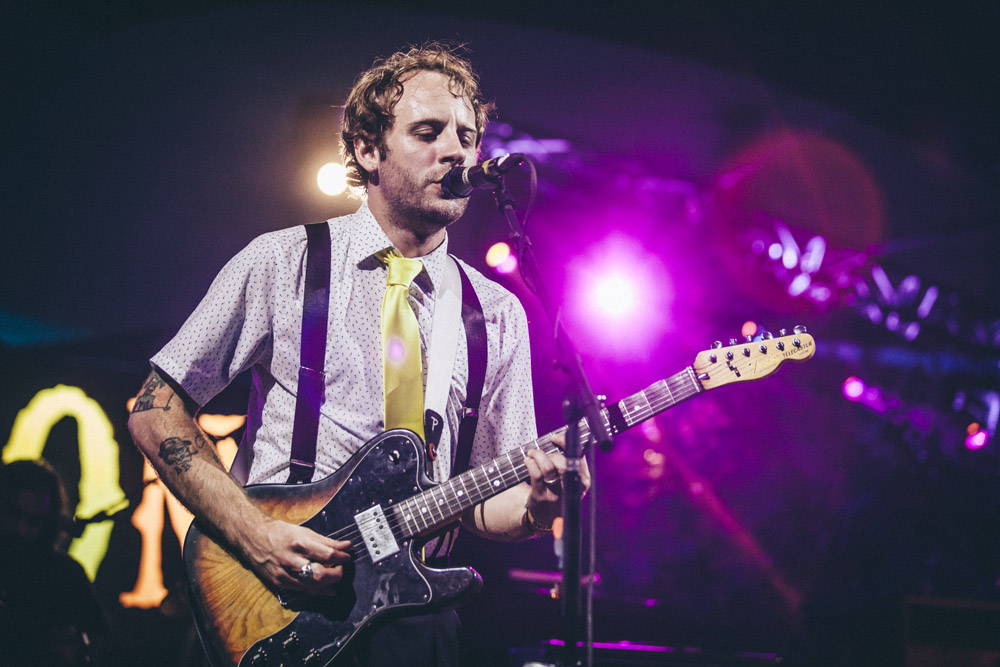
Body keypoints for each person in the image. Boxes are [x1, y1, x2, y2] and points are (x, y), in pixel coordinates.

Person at [127, 41, 587, 666]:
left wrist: (537, 508)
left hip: (417, 619)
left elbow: (484, 501)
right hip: (280, 601)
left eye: (467, 136)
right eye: (428, 132)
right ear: (368, 149)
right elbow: (155, 411)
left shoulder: (497, 312)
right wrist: (255, 535)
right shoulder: (283, 261)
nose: (456, 151)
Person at [0, 458, 108, 667]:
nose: (22, 530)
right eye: (13, 515)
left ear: (49, 522)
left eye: (34, 522)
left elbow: (98, 642)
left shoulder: (66, 574)